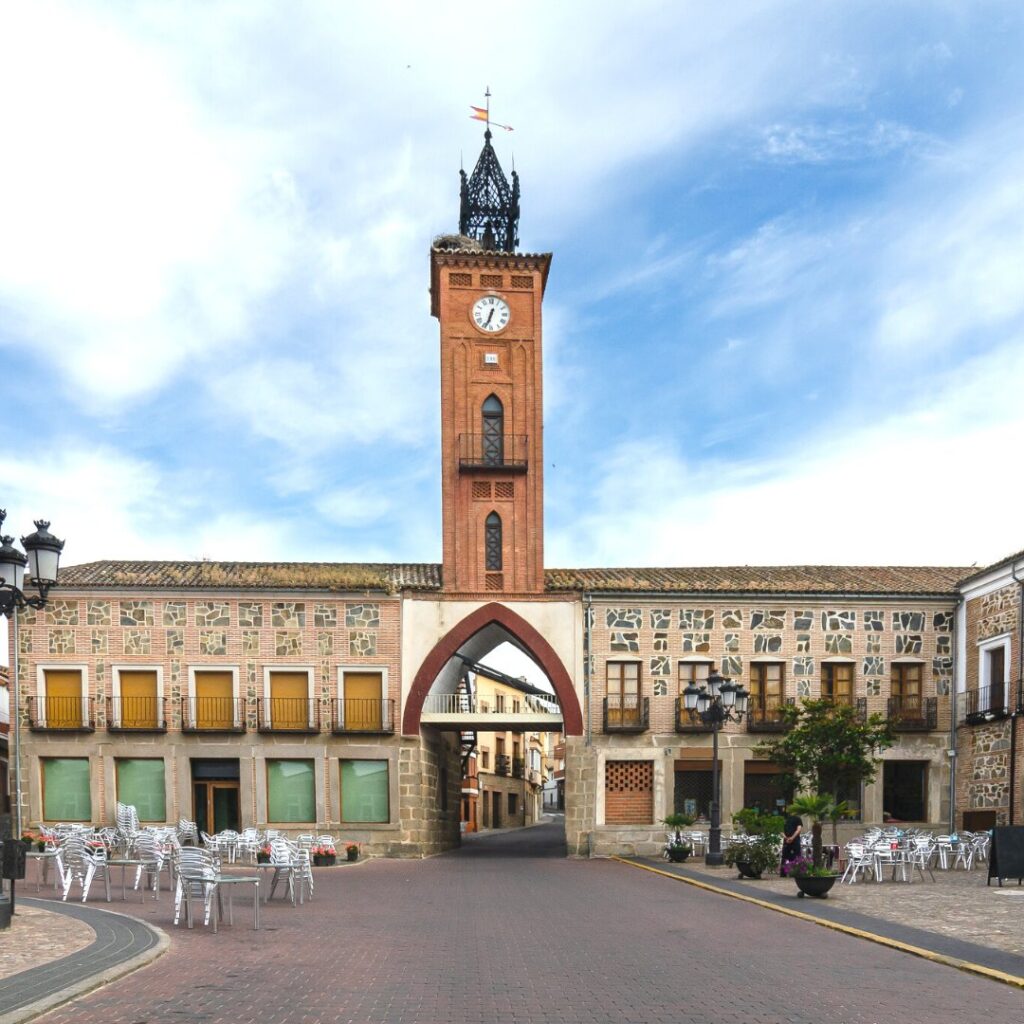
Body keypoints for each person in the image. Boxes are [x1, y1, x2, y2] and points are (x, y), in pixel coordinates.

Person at [780, 810, 802, 875]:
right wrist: (792, 838)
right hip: (795, 840)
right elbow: (799, 830)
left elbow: (781, 831)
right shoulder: (798, 819)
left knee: (785, 857)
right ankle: (796, 872)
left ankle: (783, 873)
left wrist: (786, 838)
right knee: (796, 856)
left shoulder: (785, 819)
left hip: (786, 841)